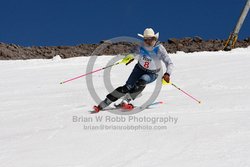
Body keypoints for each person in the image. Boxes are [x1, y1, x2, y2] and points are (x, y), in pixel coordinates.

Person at [93, 28, 174, 112]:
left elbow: (169, 63)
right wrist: (130, 57)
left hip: (152, 74)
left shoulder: (160, 49)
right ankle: (103, 104)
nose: (148, 42)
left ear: (154, 39)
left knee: (142, 81)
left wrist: (167, 74)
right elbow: (133, 53)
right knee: (126, 88)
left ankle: (126, 101)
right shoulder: (140, 46)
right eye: (146, 40)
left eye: (150, 40)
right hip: (139, 69)